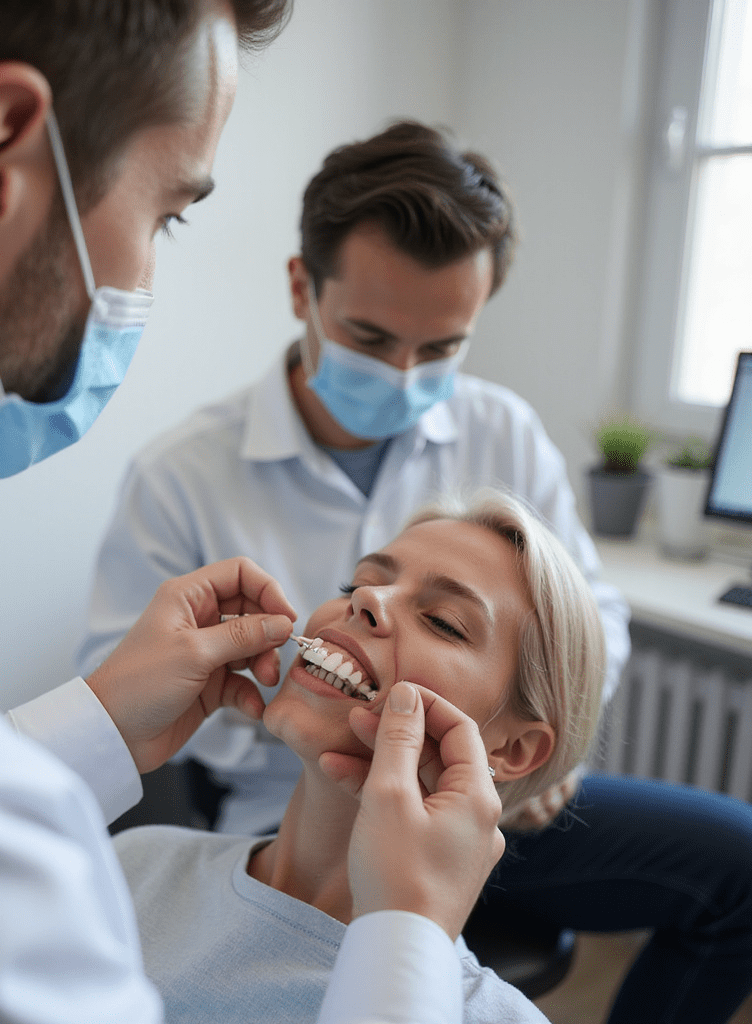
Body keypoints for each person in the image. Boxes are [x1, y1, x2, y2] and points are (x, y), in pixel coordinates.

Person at [0, 8, 513, 1023]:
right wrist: (406, 935)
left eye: (443, 616)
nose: (367, 606)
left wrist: (95, 720)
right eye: (167, 214)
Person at [80, 120, 752, 1023]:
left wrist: (519, 759)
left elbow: (591, 615)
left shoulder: (503, 429)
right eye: (371, 337)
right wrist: (310, 706)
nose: (404, 373)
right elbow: (135, 688)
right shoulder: (182, 474)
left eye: (439, 349)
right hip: (282, 805)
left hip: (493, 807)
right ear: (302, 288)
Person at [115, 492, 606, 1024]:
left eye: (442, 621)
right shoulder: (134, 865)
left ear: (512, 750)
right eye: (355, 584)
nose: (366, 598)